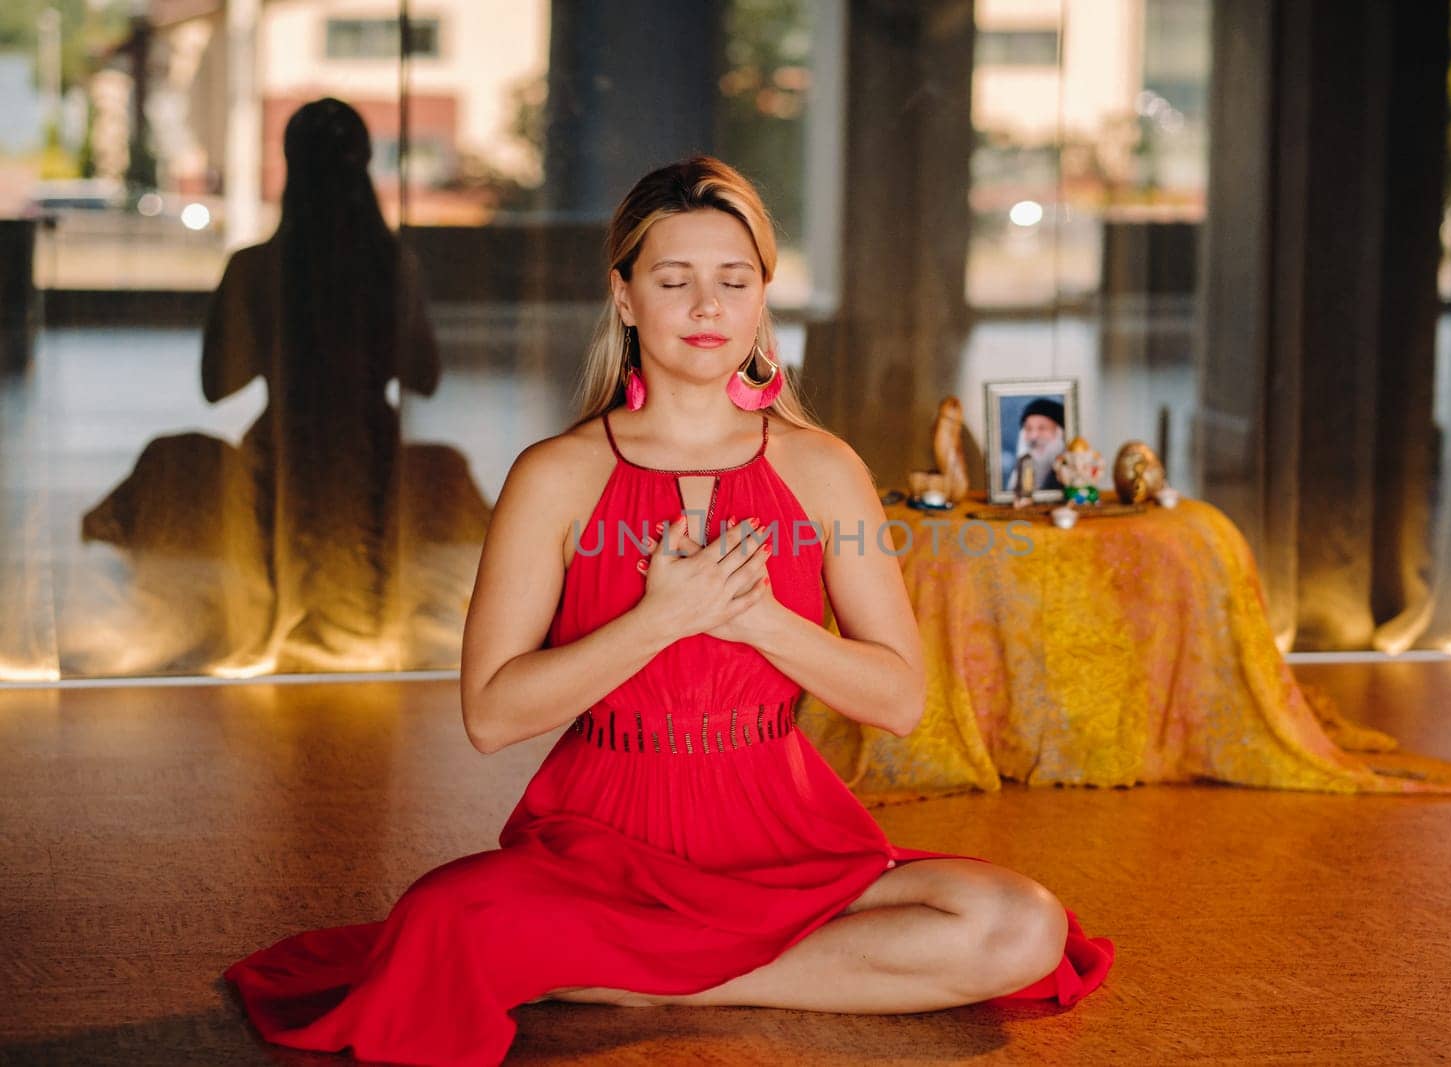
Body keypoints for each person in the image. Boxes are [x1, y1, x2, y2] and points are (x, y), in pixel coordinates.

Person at [223, 156, 1112, 1066]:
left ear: (763, 296)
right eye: (672, 280)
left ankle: (661, 971)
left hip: (787, 838)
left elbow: (899, 699)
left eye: (733, 282)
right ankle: (695, 957)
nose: (705, 309)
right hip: (602, 846)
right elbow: (491, 714)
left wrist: (759, 617)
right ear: (625, 296)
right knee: (442, 917)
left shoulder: (822, 467)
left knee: (1021, 926)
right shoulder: (556, 474)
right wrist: (662, 614)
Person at [80, 98, 489, 670]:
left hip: (282, 449)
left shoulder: (258, 266)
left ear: (292, 166)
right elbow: (425, 375)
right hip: (365, 451)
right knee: (446, 473)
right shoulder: (388, 264)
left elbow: (216, 383)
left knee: (168, 463)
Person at [1005, 397, 1067, 494]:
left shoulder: (1071, 473)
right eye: (1028, 429)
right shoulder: (1017, 471)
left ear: (1059, 433)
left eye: (1042, 428)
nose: (1034, 437)